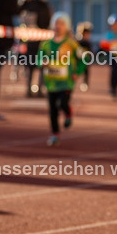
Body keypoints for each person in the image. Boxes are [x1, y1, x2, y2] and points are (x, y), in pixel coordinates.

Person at [40, 12, 85, 146]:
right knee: (52, 109)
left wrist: (77, 72)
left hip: (66, 82)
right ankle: (55, 134)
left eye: (61, 24)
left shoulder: (72, 44)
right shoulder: (46, 44)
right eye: (56, 23)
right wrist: (41, 62)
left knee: (62, 104)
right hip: (51, 82)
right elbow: (38, 58)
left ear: (67, 27)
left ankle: (68, 112)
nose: (58, 26)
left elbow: (84, 59)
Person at [19, 0, 53, 97]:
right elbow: (47, 23)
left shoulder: (28, 5)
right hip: (42, 39)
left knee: (30, 66)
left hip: (29, 38)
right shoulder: (45, 6)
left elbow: (21, 17)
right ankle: (39, 89)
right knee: (42, 65)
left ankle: (28, 89)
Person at [75, 21, 93, 92]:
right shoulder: (78, 41)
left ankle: (85, 83)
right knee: (76, 70)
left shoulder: (88, 43)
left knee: (86, 72)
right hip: (79, 60)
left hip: (86, 60)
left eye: (88, 34)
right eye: (85, 34)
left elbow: (90, 51)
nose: (87, 35)